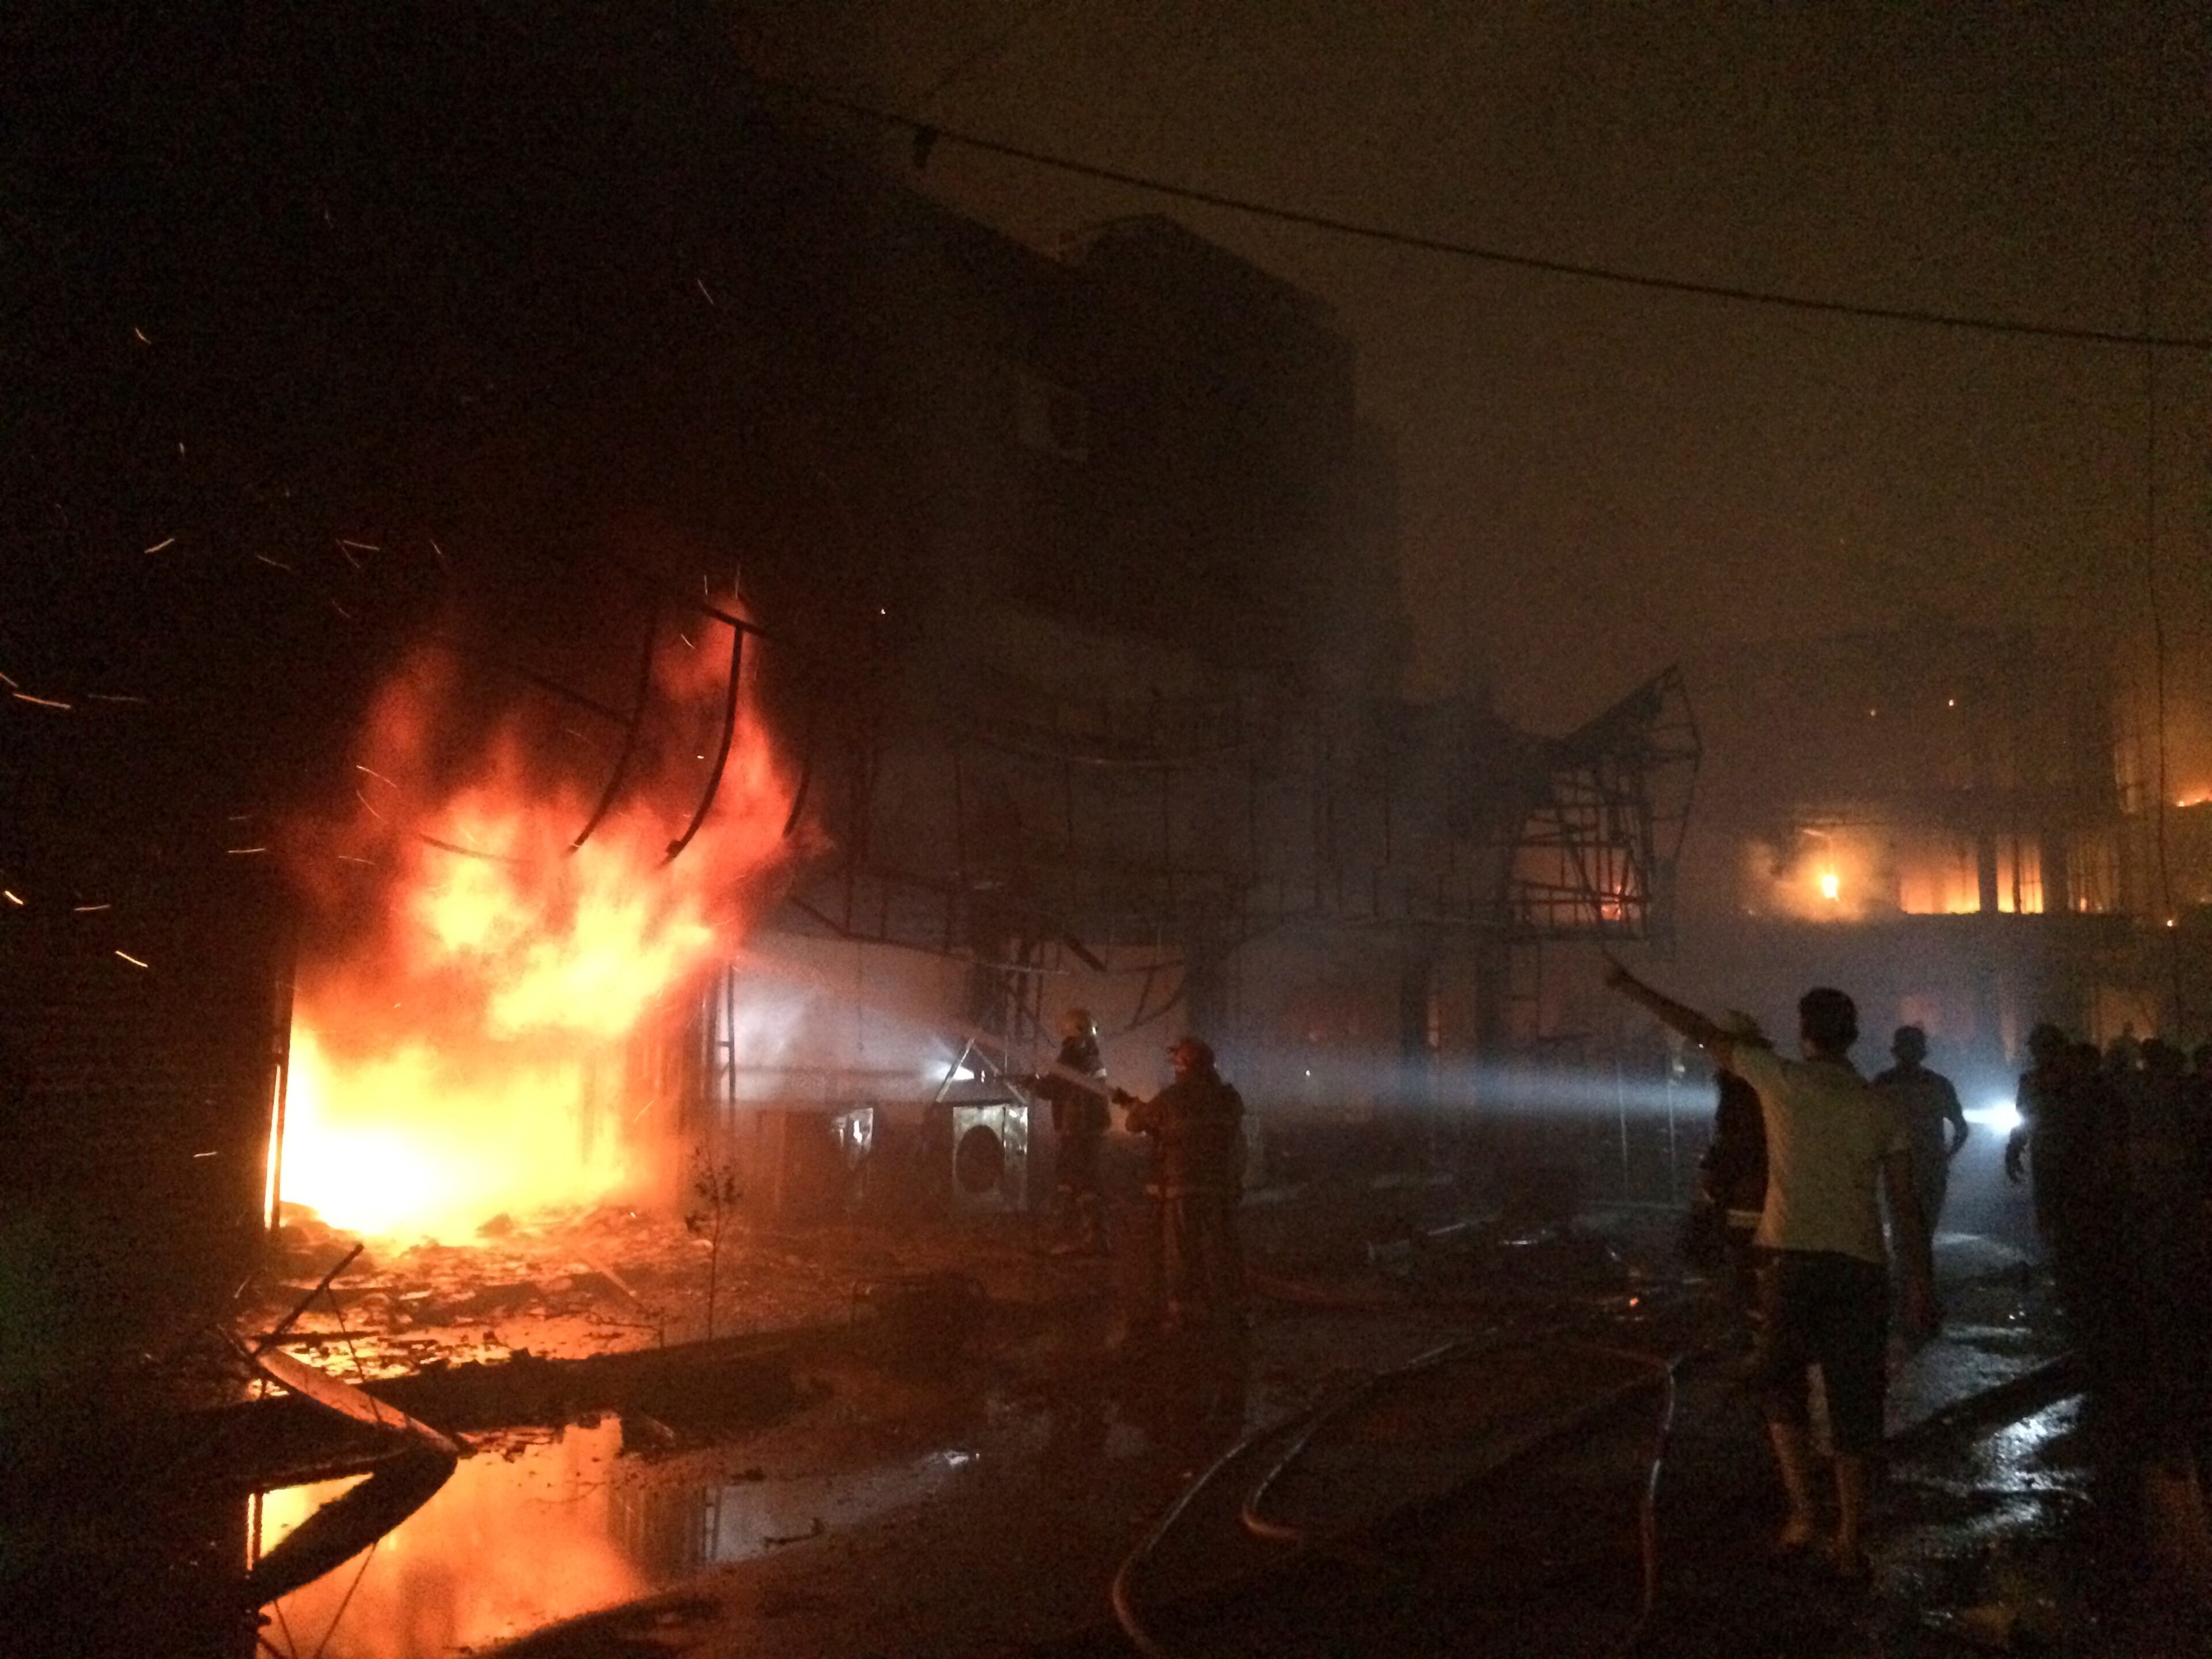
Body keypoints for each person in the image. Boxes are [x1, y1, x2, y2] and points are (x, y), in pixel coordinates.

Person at [1604, 958, 1937, 1582]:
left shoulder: (1779, 1080)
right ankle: (1848, 1538)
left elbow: (1699, 1028)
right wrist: (1922, 1282)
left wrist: (1628, 985)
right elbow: (1907, 1205)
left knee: (1780, 1391)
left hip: (1790, 1265)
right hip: (1861, 1270)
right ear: (1855, 1035)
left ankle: (1803, 1518)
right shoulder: (1880, 1108)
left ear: (1805, 1034)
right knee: (1854, 1405)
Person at [1113, 1036, 1245, 1331]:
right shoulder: (1228, 1098)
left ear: (1185, 1064)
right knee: (1220, 1248)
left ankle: (1182, 1313)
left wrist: (1136, 1108)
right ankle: (1225, 1310)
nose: (1174, 1068)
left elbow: (1135, 1125)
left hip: (1181, 1187)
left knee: (1181, 1251)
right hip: (1221, 1186)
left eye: (1177, 1063)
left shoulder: (1172, 1097)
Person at [1690, 1011, 1771, 1344]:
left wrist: (1716, 1172)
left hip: (1747, 1188)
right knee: (1748, 1263)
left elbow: (1741, 1139)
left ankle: (1755, 1340)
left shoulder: (1743, 1087)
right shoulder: (1747, 1083)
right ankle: (1756, 1334)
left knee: (1745, 1264)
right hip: (1748, 1185)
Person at [1872, 1026, 1968, 1253]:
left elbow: (1870, 1127)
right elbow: (1961, 1129)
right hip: (1930, 1166)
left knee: (1902, 1230)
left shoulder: (1883, 1084)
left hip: (1899, 1168)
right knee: (1924, 1231)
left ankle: (1904, 1281)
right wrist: (1946, 1157)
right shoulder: (1939, 1084)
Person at [1036, 1007, 1111, 1255]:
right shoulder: (1092, 1055)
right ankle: (1087, 1236)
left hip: (1078, 1128)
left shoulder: (1074, 1055)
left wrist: (1031, 1083)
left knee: (1077, 1182)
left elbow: (1053, 1088)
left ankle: (1086, 1238)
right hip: (1089, 1127)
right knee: (1079, 1181)